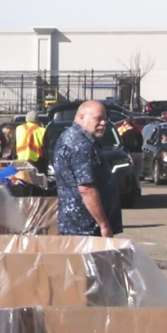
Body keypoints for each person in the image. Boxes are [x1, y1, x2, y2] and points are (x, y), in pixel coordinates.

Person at [52, 100, 123, 238]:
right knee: (91, 260)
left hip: (78, 225)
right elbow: (86, 189)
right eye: (98, 119)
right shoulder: (81, 145)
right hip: (86, 227)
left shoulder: (73, 137)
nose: (104, 123)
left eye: (105, 119)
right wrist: (104, 225)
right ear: (81, 117)